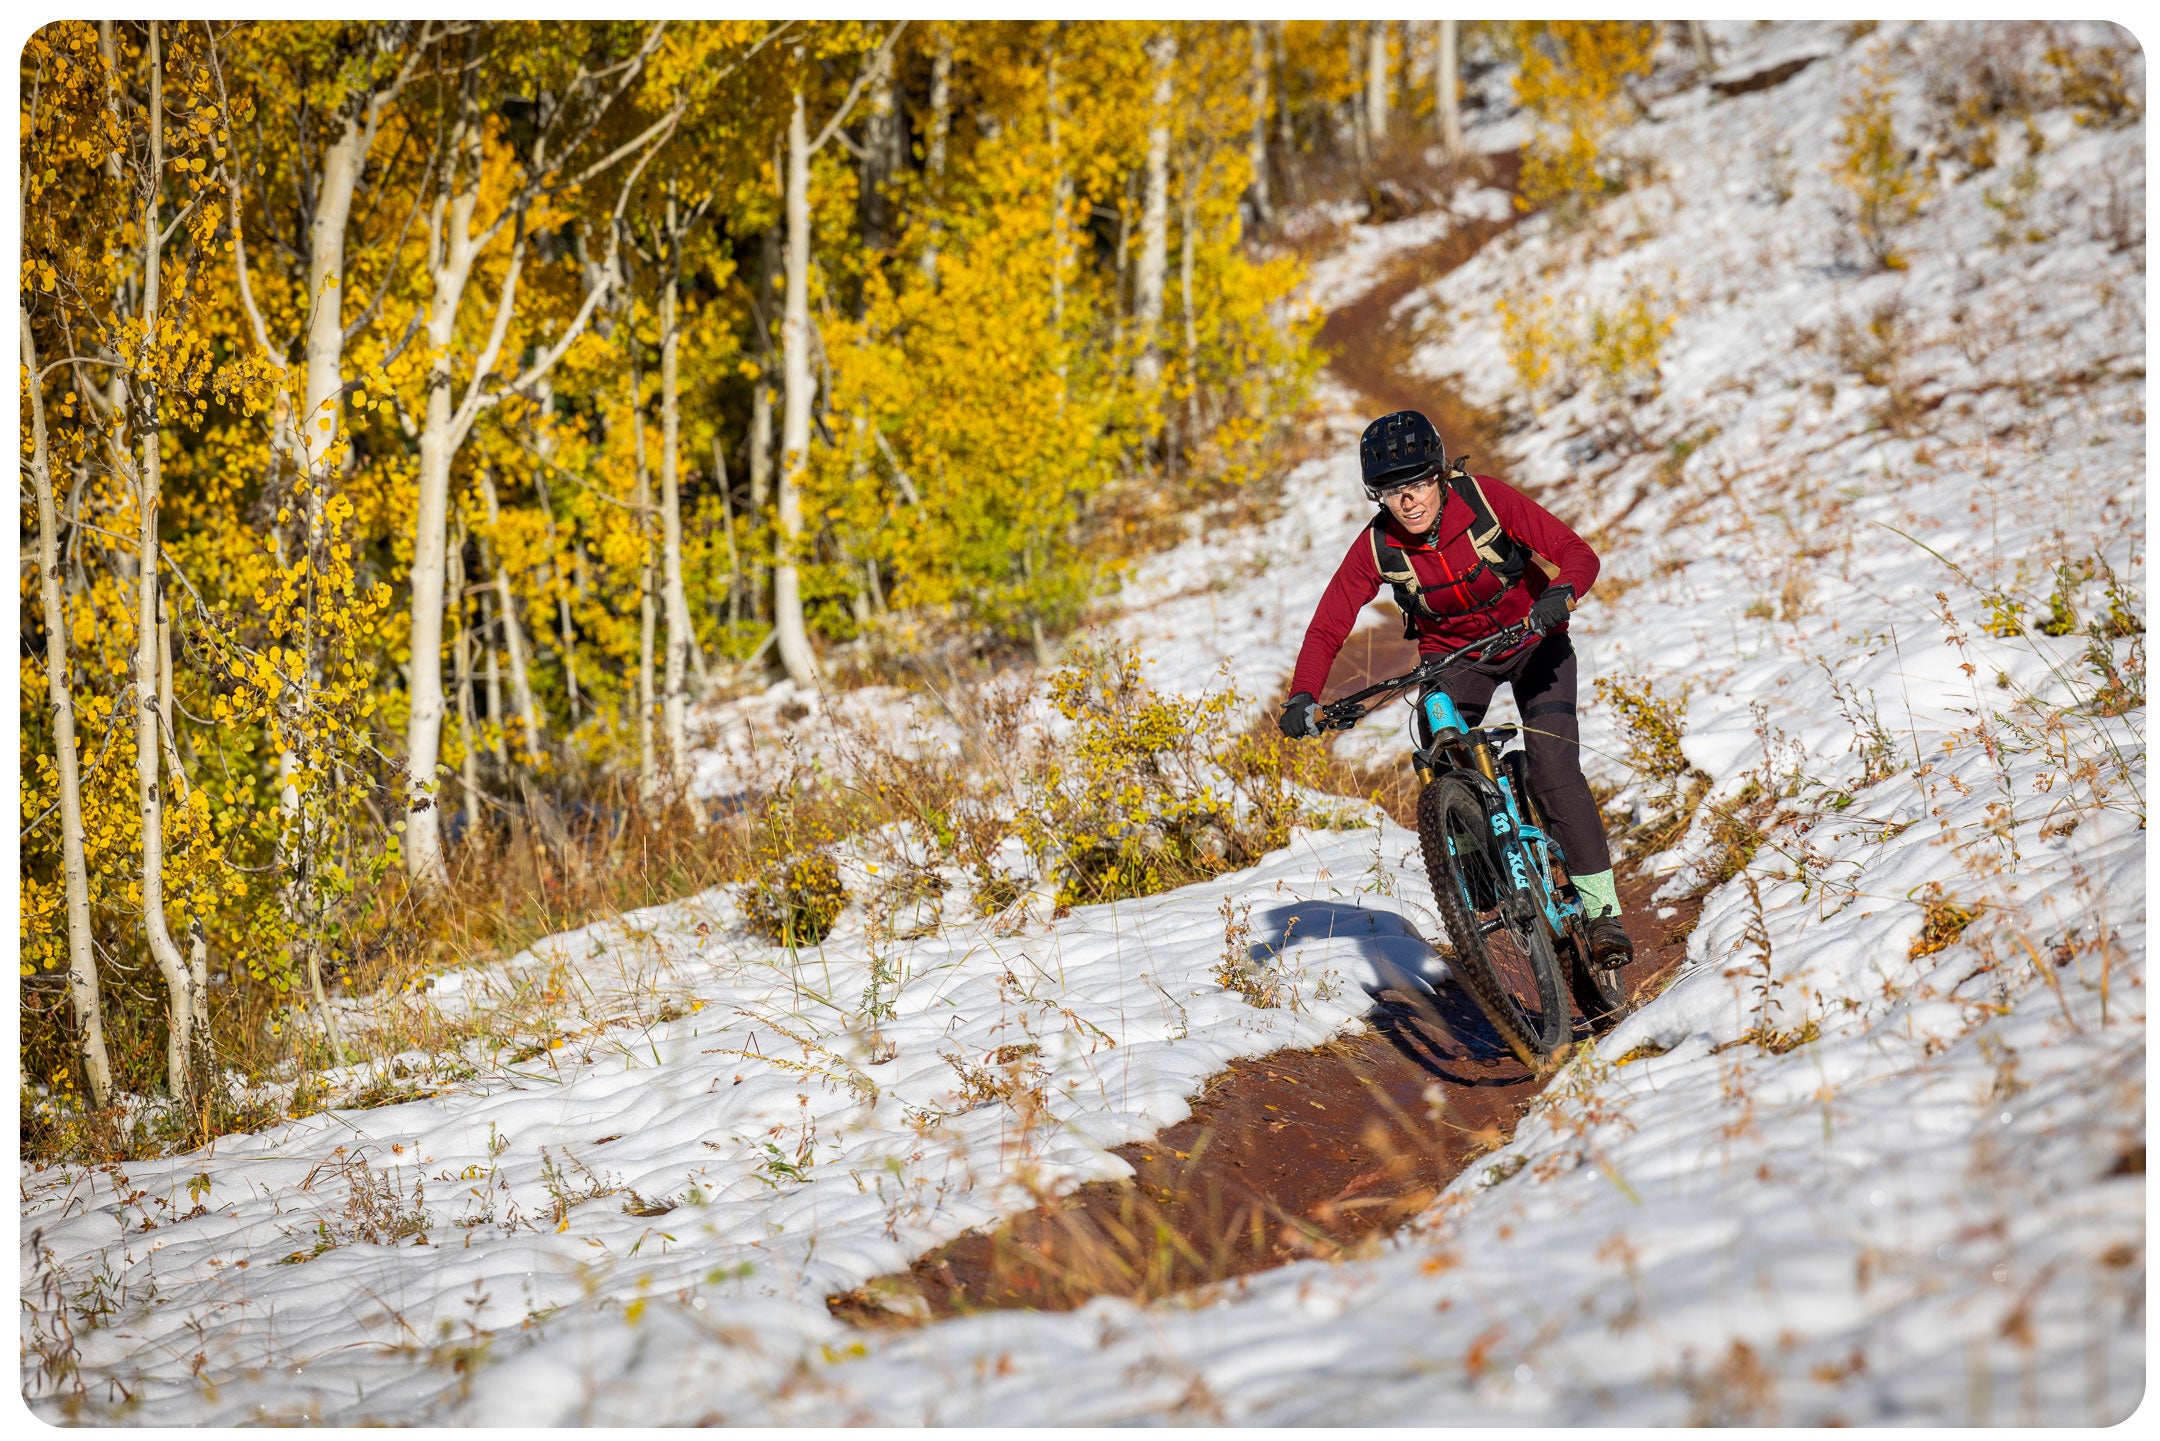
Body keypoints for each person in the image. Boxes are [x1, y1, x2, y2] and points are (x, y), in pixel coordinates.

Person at [1276, 409, 1632, 968]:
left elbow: (1577, 553)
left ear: (1440, 474)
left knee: (1554, 768)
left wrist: (1558, 595)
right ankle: (1478, 869)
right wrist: (1303, 695)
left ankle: (1601, 912)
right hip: (1457, 658)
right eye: (1393, 491)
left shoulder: (1487, 501)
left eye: (1418, 482)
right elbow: (1328, 624)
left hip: (1535, 641)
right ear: (1378, 497)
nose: (1409, 500)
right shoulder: (1376, 547)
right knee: (1439, 742)